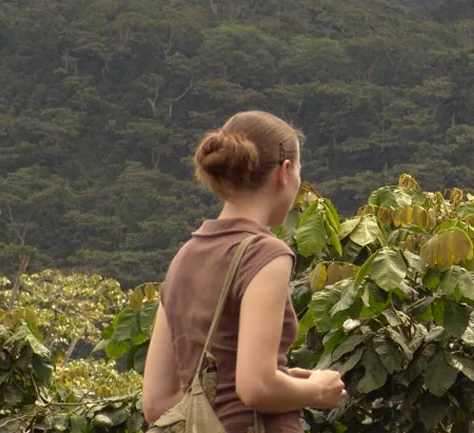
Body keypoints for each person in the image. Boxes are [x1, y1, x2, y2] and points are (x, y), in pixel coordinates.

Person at [142, 111, 347, 433]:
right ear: (285, 172)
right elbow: (256, 387)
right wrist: (317, 389)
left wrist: (281, 383)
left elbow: (156, 403)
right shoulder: (265, 253)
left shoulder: (184, 257)